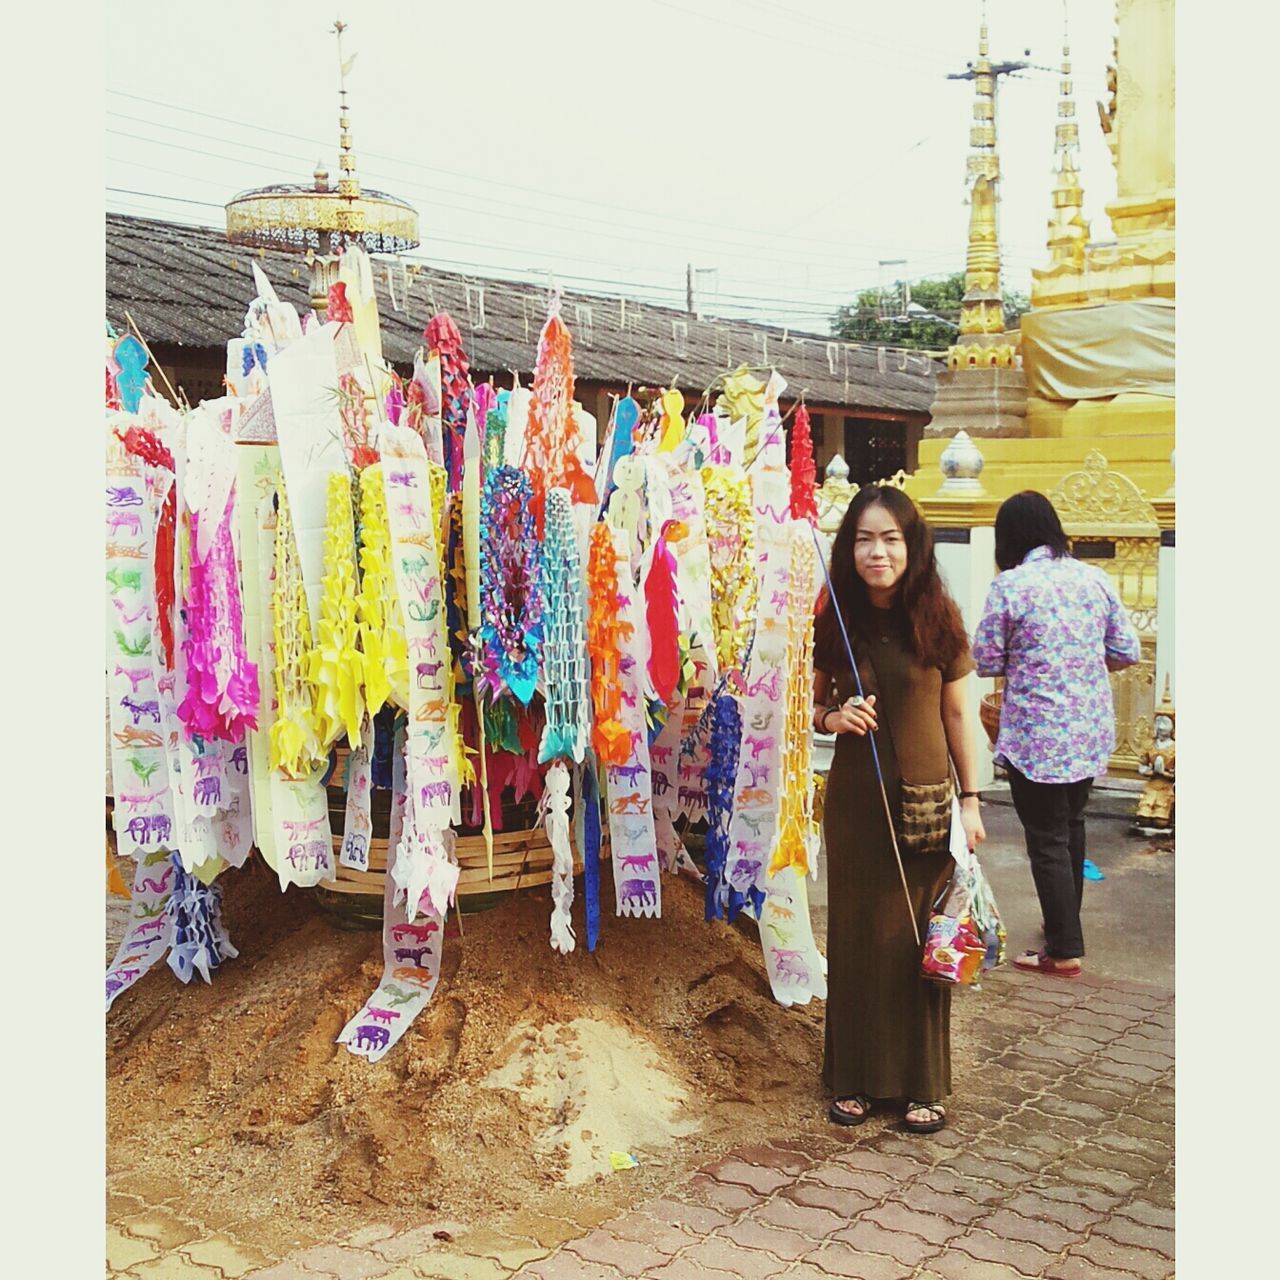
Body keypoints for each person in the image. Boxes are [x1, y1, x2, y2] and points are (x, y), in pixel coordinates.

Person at [813, 485, 985, 1135]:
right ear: (848, 546)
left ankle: (922, 1085)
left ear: (912, 546)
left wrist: (970, 802)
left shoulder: (940, 619)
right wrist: (834, 715)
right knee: (857, 937)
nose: (876, 551)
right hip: (858, 805)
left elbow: (959, 714)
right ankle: (854, 1079)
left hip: (925, 802)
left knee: (918, 940)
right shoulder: (837, 618)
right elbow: (808, 703)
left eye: (889, 539)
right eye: (863, 538)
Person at [972, 491, 1141, 979]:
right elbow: (1126, 650)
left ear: (1010, 539)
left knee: (1045, 837)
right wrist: (1084, 664)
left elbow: (985, 660)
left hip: (1036, 734)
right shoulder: (1095, 579)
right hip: (1087, 731)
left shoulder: (1011, 587)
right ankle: (1061, 924)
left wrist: (1025, 664)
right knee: (1071, 826)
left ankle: (1064, 948)